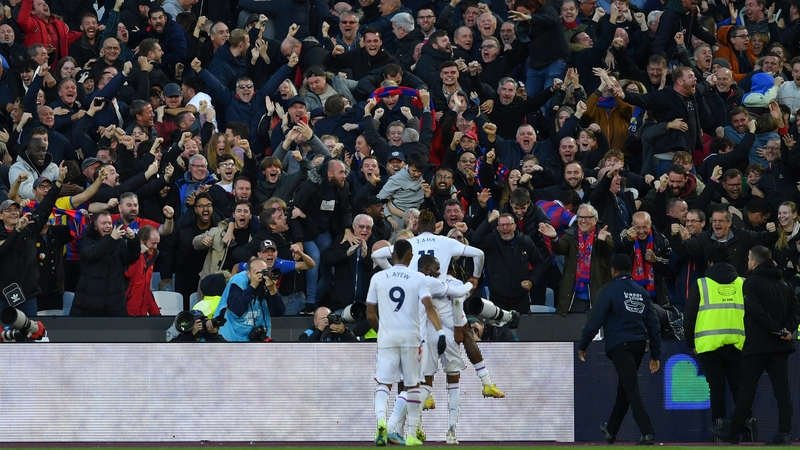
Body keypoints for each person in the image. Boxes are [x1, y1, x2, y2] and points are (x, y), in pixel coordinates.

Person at [712, 246, 800, 445]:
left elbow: (757, 311)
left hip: (757, 346)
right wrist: (786, 330)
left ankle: (734, 431)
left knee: (747, 390)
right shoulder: (784, 284)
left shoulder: (751, 283)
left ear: (753, 261)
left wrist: (777, 330)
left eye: (749, 258)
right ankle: (784, 432)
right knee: (781, 389)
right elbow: (796, 309)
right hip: (780, 346)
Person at [366, 239, 445, 447]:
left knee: (384, 383)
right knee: (412, 385)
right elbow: (429, 307)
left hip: (387, 336)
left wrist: (381, 328)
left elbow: (370, 313)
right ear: (411, 258)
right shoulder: (418, 277)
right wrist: (440, 333)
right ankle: (411, 434)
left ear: (392, 256)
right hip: (410, 337)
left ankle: (382, 421)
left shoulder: (377, 277)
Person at [578, 253, 661, 446]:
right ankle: (611, 430)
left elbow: (595, 320)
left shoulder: (608, 290)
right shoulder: (641, 292)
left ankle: (647, 431)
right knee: (625, 387)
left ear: (613, 270)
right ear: (631, 270)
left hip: (619, 345)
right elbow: (654, 324)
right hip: (639, 345)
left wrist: (583, 345)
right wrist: (655, 353)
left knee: (630, 387)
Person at [683, 246, 745, 431]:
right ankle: (745, 429)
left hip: (709, 345)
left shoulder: (701, 284)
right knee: (740, 390)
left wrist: (690, 342)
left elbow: (689, 316)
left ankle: (719, 430)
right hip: (739, 344)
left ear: (710, 262)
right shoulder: (742, 283)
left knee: (716, 390)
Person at [71, 211, 142, 316]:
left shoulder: (119, 241)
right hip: (88, 305)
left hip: (115, 304)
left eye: (109, 223)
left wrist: (133, 241)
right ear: (95, 227)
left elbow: (131, 258)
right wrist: (111, 239)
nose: (107, 226)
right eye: (103, 223)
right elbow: (92, 254)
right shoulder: (88, 241)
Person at [214, 257, 285, 342]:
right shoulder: (238, 280)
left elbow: (278, 312)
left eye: (264, 271)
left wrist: (273, 289)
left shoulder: (266, 283)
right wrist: (252, 286)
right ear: (248, 272)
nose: (261, 275)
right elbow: (237, 309)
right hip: (232, 337)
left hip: (256, 337)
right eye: (257, 272)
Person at [124, 225, 161, 317]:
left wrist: (156, 314)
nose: (155, 247)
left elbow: (146, 287)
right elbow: (128, 273)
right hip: (128, 311)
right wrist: (139, 255)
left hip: (142, 311)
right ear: (142, 241)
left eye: (157, 243)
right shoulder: (128, 252)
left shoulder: (152, 255)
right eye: (153, 243)